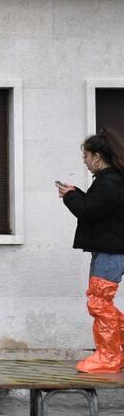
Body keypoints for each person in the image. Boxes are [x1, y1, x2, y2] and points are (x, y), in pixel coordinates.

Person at [58, 128, 124, 373]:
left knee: (99, 303)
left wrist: (69, 197)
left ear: (97, 156)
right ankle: (117, 351)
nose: (84, 162)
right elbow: (97, 208)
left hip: (110, 252)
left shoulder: (110, 182)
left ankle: (108, 358)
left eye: (85, 156)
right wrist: (76, 194)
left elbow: (89, 212)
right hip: (110, 250)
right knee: (101, 303)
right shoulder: (111, 181)